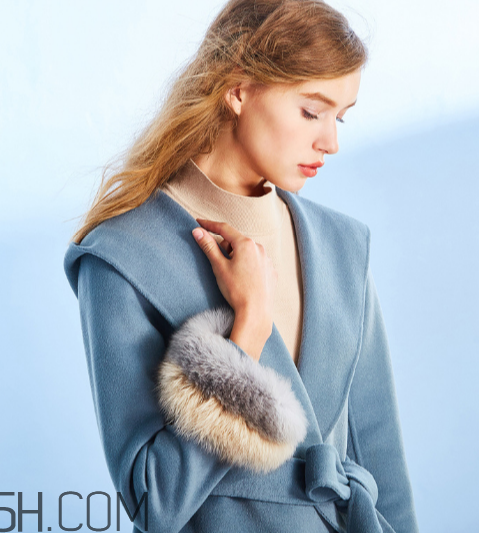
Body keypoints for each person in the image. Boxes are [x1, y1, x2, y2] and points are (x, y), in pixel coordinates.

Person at [63, 0, 419, 531]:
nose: (331, 142)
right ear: (238, 89)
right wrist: (246, 335)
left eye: (340, 117)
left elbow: (383, 467)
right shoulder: (122, 256)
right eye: (312, 111)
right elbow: (153, 502)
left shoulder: (342, 245)